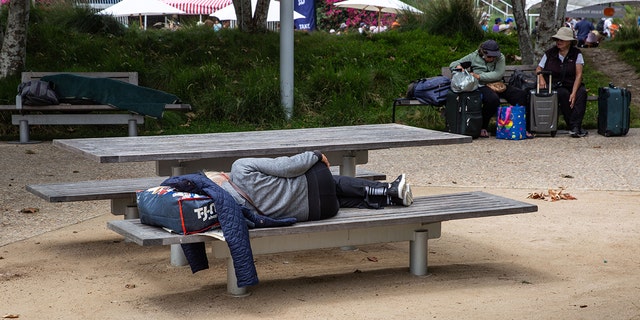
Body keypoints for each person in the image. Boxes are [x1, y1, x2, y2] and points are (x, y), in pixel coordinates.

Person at [209, 151, 413, 223]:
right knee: (333, 182)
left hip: (320, 212)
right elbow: (286, 167)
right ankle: (388, 190)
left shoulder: (234, 209)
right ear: (220, 177)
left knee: (339, 200)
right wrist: (314, 155)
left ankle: (390, 199)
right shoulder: (240, 168)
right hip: (316, 186)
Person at [449, 40, 531, 138]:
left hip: (498, 84)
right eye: (489, 57)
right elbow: (453, 64)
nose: (492, 59)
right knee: (492, 99)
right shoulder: (473, 56)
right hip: (482, 86)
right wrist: (459, 67)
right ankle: (483, 127)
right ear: (483, 52)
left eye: (494, 56)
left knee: (521, 95)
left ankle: (523, 127)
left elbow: (498, 74)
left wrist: (479, 76)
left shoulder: (500, 57)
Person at [536, 27, 588, 138]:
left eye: (562, 40)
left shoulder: (576, 54)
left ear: (569, 42)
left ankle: (575, 126)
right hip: (556, 85)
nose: (559, 42)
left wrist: (574, 93)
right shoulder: (549, 53)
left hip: (572, 84)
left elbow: (579, 75)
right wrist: (541, 79)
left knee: (581, 93)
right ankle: (575, 127)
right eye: (558, 40)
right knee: (563, 94)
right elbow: (539, 69)